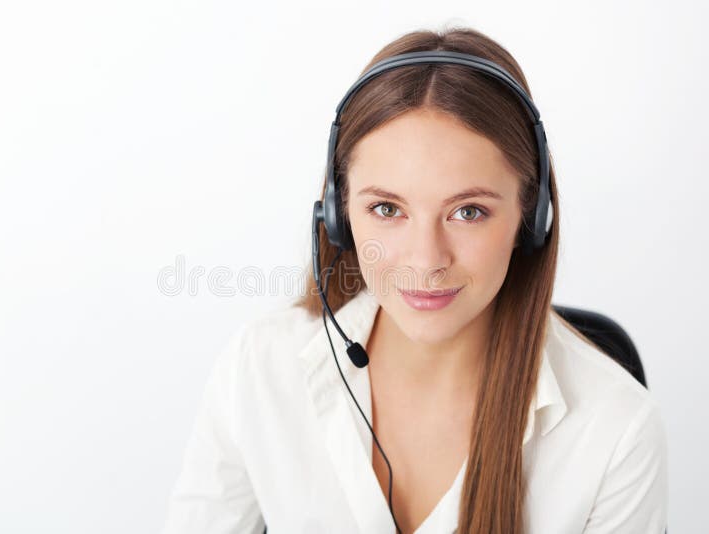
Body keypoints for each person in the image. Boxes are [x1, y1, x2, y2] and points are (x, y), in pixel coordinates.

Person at [161, 26, 667, 534]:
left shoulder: (614, 430)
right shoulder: (258, 370)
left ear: (530, 220)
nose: (426, 262)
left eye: (468, 212)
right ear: (337, 217)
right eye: (387, 208)